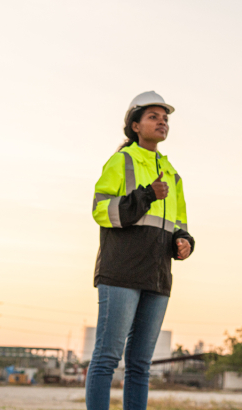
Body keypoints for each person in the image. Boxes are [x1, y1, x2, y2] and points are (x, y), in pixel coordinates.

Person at [86, 91, 195, 410]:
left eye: (165, 119)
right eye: (153, 117)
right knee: (106, 358)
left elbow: (178, 222)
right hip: (121, 272)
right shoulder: (122, 161)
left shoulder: (172, 173)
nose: (162, 122)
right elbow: (101, 211)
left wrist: (184, 241)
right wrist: (146, 194)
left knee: (140, 366)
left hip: (157, 276)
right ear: (135, 125)